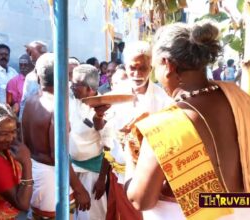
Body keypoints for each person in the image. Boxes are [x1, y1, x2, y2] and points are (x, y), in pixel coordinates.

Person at [124, 22, 250, 219]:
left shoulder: (165, 125)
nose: (156, 75)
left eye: (155, 67)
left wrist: (129, 153)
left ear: (168, 65)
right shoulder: (240, 99)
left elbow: (140, 200)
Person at [103, 41, 173, 220]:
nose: (137, 74)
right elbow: (104, 133)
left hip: (149, 177)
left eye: (142, 68)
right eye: (132, 68)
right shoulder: (114, 95)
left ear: (151, 67)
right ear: (126, 66)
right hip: (120, 173)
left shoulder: (163, 100)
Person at [21, 53, 91, 219]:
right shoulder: (56, 107)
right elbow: (58, 157)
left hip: (34, 171)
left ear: (38, 77)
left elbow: (23, 140)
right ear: (63, 78)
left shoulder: (31, 101)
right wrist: (80, 189)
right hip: (51, 178)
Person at [69, 64, 110, 220]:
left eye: (76, 84)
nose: (72, 86)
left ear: (89, 88)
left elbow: (108, 146)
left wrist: (101, 180)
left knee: (91, 215)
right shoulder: (71, 99)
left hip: (93, 171)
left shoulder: (104, 108)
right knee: (70, 213)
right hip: (71, 169)